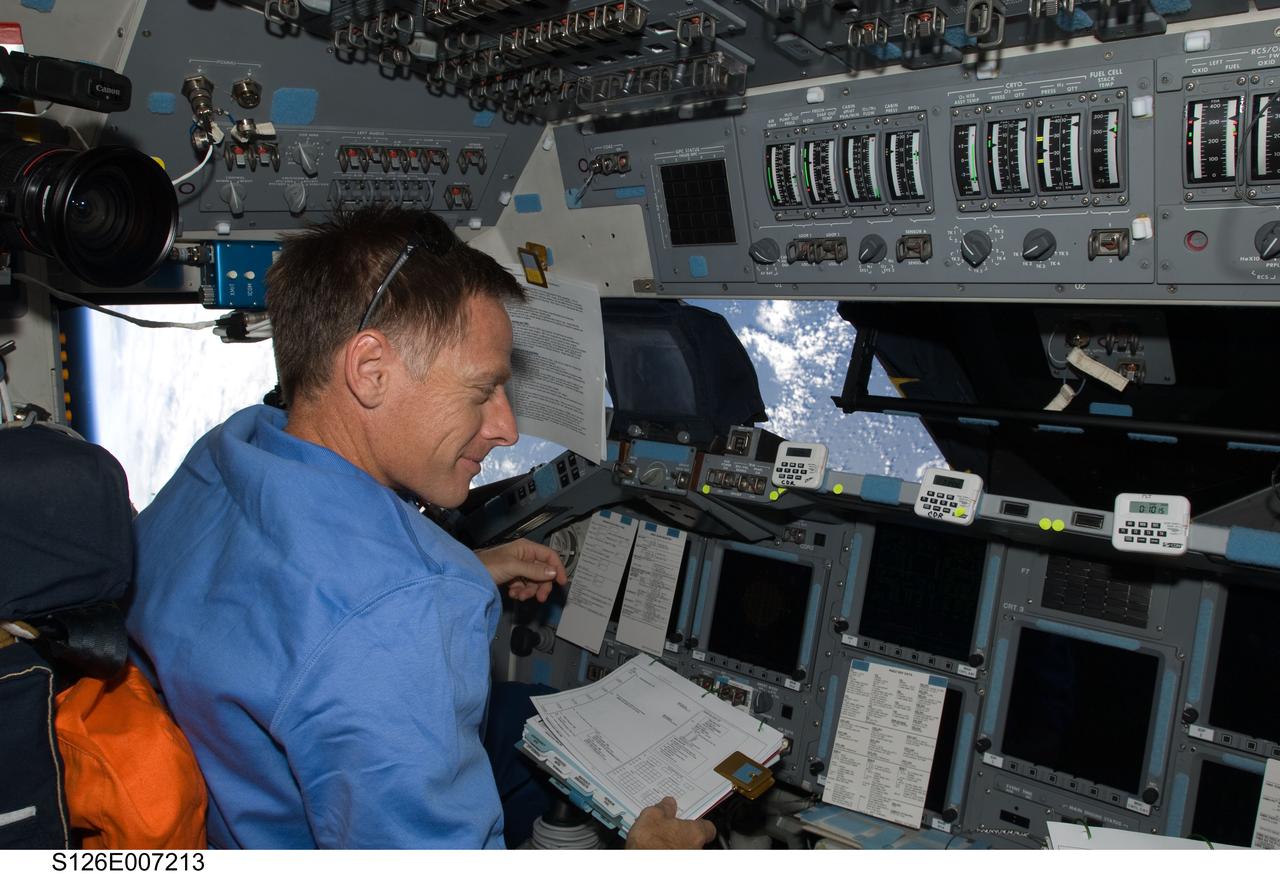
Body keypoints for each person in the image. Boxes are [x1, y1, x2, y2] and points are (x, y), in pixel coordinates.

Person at [127, 205, 716, 850]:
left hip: (219, 792)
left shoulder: (231, 450)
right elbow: (368, 622)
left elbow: (294, 603)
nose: (506, 428)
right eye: (482, 390)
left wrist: (467, 568)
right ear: (370, 370)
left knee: (523, 721)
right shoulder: (404, 615)